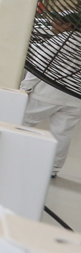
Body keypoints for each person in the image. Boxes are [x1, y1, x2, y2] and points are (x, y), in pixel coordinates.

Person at [22, 12, 81, 178]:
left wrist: (25, 88)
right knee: (62, 134)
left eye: (56, 21)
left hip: (46, 94)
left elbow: (39, 65)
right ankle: (52, 169)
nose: (52, 23)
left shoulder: (61, 40)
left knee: (21, 122)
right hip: (75, 98)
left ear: (69, 25)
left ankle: (9, 153)